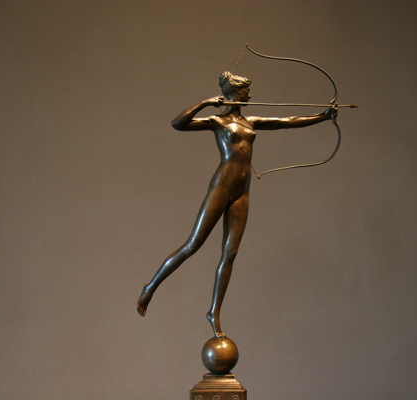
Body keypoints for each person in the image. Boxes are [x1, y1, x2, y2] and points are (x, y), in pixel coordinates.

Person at [137, 71, 337, 338]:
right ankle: (150, 287)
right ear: (234, 93)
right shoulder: (217, 121)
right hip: (222, 185)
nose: (250, 96)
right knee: (193, 245)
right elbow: (178, 123)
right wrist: (205, 103)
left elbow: (288, 121)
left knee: (230, 253)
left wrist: (323, 116)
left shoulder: (252, 121)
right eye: (245, 92)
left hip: (242, 191)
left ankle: (214, 312)